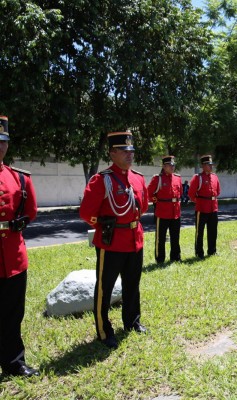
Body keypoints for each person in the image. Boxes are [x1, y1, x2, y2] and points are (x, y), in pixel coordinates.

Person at [79, 130, 149, 349]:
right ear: (112, 153)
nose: (130, 155)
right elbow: (86, 212)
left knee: (132, 284)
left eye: (131, 150)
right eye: (124, 151)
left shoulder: (138, 178)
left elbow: (143, 206)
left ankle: (132, 321)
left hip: (134, 239)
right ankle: (103, 329)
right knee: (105, 288)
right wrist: (105, 226)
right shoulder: (102, 180)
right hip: (111, 242)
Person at [0, 116, 39, 377]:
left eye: (3, 141)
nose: (0, 146)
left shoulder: (19, 178)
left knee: (13, 314)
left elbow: (31, 211)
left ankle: (14, 362)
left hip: (13, 257)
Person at [147, 155, 182, 264]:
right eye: (170, 165)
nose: (172, 167)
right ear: (164, 166)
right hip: (162, 212)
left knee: (175, 236)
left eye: (173, 165)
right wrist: (158, 201)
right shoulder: (158, 178)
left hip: (175, 212)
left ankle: (175, 257)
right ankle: (160, 258)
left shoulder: (177, 178)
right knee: (160, 238)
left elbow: (179, 192)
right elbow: (149, 193)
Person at [189, 155, 221, 259]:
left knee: (213, 231)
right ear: (203, 165)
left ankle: (212, 251)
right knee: (200, 232)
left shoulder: (215, 177)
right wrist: (200, 202)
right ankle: (199, 252)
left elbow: (218, 191)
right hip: (202, 209)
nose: (211, 166)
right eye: (208, 164)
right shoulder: (198, 177)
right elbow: (191, 194)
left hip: (213, 208)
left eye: (211, 164)